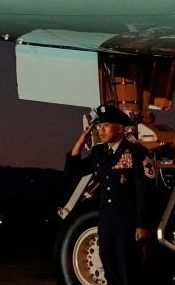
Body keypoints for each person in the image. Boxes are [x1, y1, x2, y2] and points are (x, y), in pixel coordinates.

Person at [65, 105, 152, 285]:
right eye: (99, 126)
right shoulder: (99, 153)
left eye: (106, 125)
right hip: (106, 226)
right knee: (110, 274)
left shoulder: (136, 153)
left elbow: (145, 190)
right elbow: (71, 171)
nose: (101, 130)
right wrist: (80, 142)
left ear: (120, 128)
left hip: (128, 226)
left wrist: (142, 224)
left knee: (129, 275)